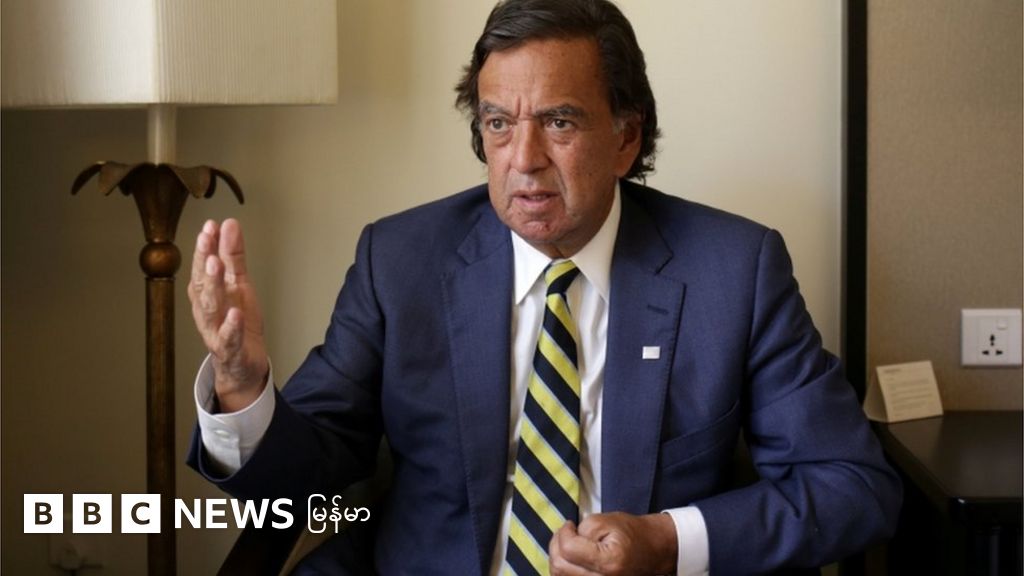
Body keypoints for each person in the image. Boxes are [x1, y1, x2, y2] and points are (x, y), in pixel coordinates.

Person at [187, 0, 901, 574]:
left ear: (626, 138)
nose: (523, 159)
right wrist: (242, 385)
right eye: (499, 124)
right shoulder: (401, 260)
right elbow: (301, 478)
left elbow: (854, 487)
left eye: (559, 121)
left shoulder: (733, 270)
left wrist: (666, 541)